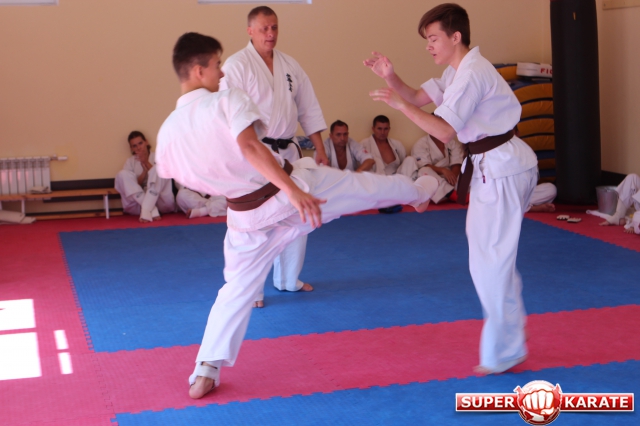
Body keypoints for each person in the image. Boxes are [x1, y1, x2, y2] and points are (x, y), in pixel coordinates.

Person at [155, 32, 439, 399]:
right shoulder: (226, 100)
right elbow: (249, 146)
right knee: (366, 188)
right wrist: (291, 190)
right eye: (216, 65)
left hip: (245, 218)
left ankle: (205, 370)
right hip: (292, 193)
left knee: (234, 291)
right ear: (198, 70)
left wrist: (228, 178)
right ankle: (421, 192)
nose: (222, 73)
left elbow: (182, 176)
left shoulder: (168, 132)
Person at [365, 3, 538, 375]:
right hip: (499, 165)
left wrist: (398, 105)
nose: (428, 45)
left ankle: (504, 349)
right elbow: (416, 97)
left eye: (433, 38)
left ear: (455, 36)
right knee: (491, 256)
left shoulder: (472, 73)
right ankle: (511, 331)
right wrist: (391, 78)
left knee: (490, 260)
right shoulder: (456, 71)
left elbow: (444, 131)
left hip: (503, 168)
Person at [220, 6, 329, 308]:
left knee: (296, 214)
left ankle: (288, 279)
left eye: (275, 27)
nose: (270, 34)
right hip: (256, 154)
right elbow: (227, 114)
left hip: (288, 151)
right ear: (250, 31)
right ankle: (253, 290)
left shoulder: (290, 65)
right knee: (257, 223)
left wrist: (320, 148)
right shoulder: (236, 65)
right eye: (264, 28)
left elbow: (308, 108)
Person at [114, 131, 176, 222]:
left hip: (160, 201)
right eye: (134, 146)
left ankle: (147, 208)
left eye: (140, 143)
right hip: (138, 204)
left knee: (158, 169)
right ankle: (152, 209)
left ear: (146, 142)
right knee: (122, 174)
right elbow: (131, 186)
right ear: (131, 148)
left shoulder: (159, 157)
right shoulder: (130, 162)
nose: (139, 147)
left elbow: (162, 177)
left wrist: (146, 162)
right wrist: (144, 172)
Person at [411, 133, 464, 203]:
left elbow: (456, 163)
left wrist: (452, 179)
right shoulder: (421, 144)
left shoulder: (452, 143)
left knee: (467, 171)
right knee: (423, 171)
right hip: (434, 178)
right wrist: (443, 170)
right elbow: (425, 165)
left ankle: (451, 192)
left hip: (450, 176)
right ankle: (451, 194)